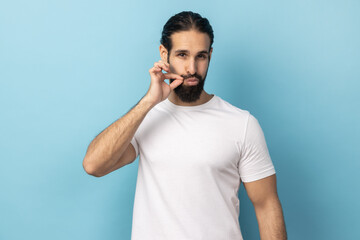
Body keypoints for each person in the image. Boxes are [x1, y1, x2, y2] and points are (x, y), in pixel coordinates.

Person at [83, 11, 287, 240]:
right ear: (164, 53)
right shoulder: (146, 118)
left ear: (210, 55)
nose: (192, 68)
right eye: (182, 55)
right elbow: (94, 165)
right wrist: (148, 102)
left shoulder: (242, 124)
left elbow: (266, 205)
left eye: (201, 56)